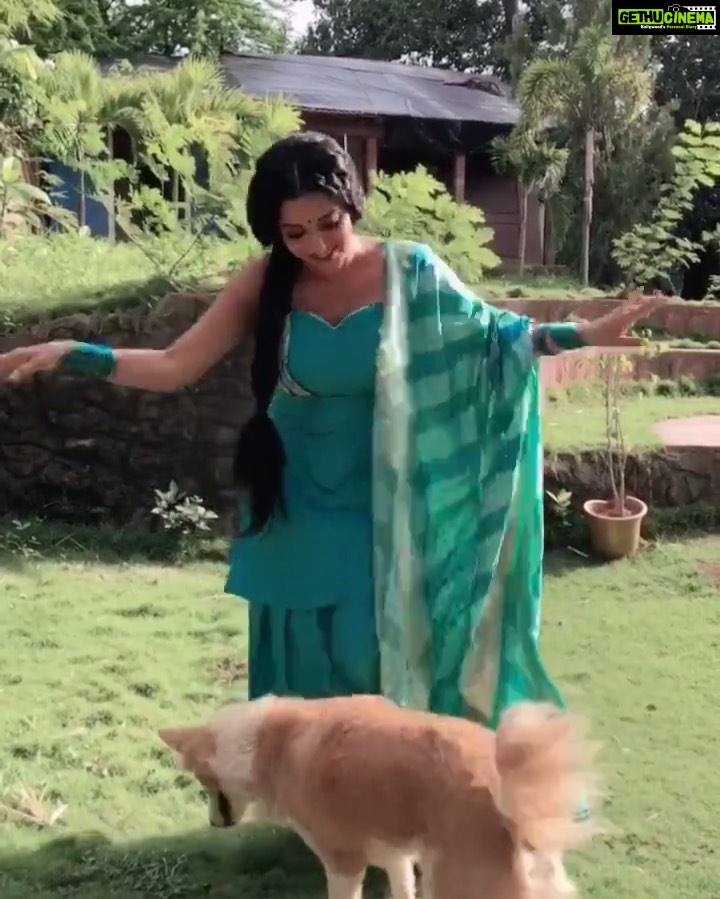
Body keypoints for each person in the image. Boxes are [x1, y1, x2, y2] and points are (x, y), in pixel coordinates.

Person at [0, 131, 659, 725]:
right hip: (291, 500)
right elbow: (177, 365)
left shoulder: (411, 271)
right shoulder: (265, 280)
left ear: (352, 204)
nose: (317, 246)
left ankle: (387, 795)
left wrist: (583, 335)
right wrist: (74, 354)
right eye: (295, 234)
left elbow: (496, 340)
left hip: (382, 499)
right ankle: (309, 803)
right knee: (299, 670)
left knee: (371, 658)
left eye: (329, 224)